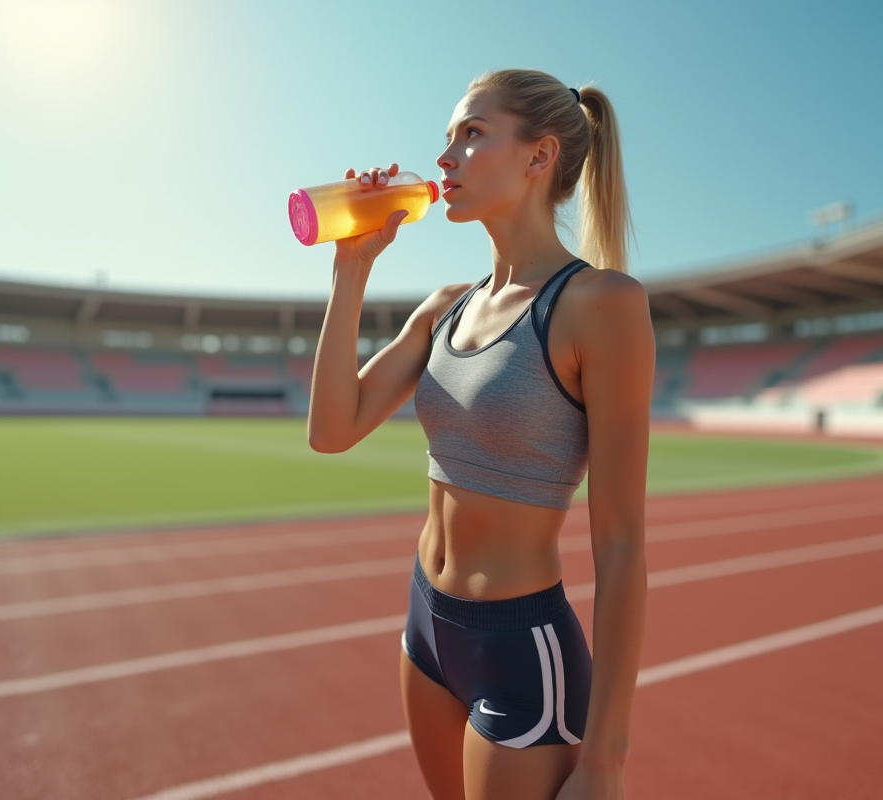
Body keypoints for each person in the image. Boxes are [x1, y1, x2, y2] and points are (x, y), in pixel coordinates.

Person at [307, 68, 652, 800]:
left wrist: (605, 761)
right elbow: (332, 430)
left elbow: (621, 543)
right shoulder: (444, 308)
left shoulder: (601, 304)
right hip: (426, 624)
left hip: (519, 649)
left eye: (472, 134)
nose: (444, 158)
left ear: (539, 156)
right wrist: (351, 270)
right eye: (447, 138)